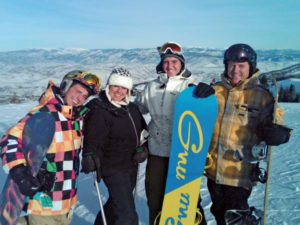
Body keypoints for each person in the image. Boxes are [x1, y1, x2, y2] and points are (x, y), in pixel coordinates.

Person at [193, 43, 291, 225]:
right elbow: (195, 116)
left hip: (240, 173)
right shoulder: (216, 91)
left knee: (235, 217)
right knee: (218, 212)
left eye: (241, 66)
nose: (235, 70)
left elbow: (279, 123)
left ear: (250, 67)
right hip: (213, 171)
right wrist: (195, 93)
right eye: (232, 65)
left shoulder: (262, 96)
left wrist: (279, 133)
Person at [0, 70, 101, 225]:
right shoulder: (44, 114)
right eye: (78, 91)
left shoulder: (76, 119)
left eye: (85, 96)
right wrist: (20, 173)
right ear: (66, 86)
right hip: (44, 202)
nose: (80, 98)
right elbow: (9, 140)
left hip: (67, 201)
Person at [134, 42, 210, 225]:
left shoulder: (190, 86)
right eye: (166, 62)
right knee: (155, 194)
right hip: (157, 150)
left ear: (182, 63)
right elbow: (138, 110)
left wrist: (206, 96)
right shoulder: (151, 87)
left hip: (183, 151)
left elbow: (204, 114)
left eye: (174, 61)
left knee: (186, 197)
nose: (170, 66)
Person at [81, 67, 148, 225]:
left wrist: (143, 148)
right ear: (109, 86)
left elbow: (144, 133)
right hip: (112, 167)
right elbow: (93, 138)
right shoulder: (99, 108)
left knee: (116, 204)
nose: (119, 91)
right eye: (115, 86)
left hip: (130, 165)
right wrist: (89, 154)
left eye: (124, 87)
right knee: (127, 214)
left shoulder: (132, 109)